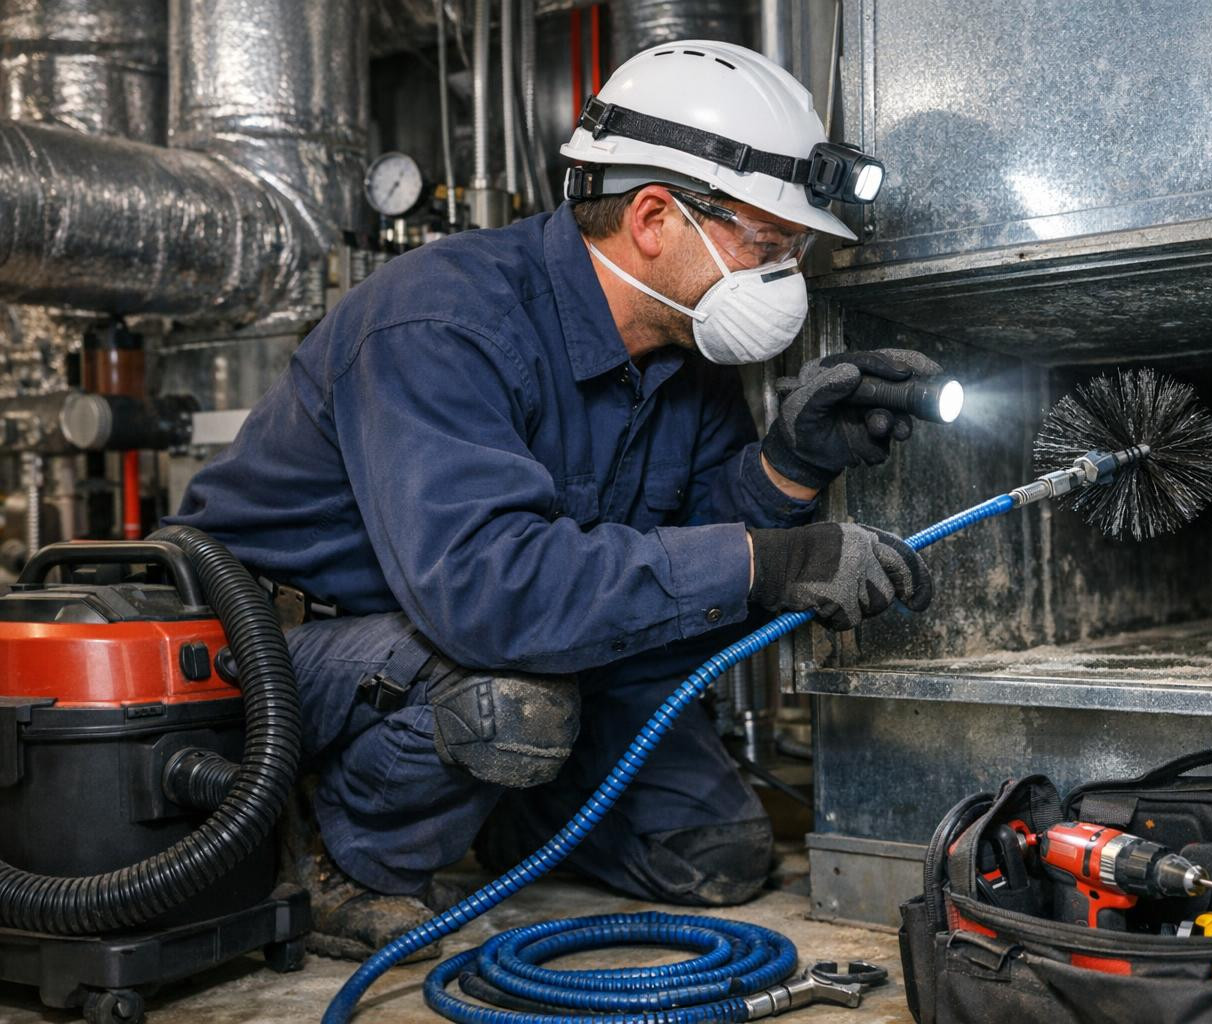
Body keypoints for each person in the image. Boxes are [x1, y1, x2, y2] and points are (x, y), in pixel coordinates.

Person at [165, 39, 943, 962]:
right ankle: (347, 858)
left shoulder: (687, 362)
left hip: (473, 643)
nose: (786, 277)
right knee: (507, 698)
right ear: (655, 216)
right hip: (267, 660)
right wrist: (772, 559)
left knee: (714, 856)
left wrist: (786, 473)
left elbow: (685, 591)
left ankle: (493, 805)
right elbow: (491, 594)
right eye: (768, 245)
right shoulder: (447, 320)